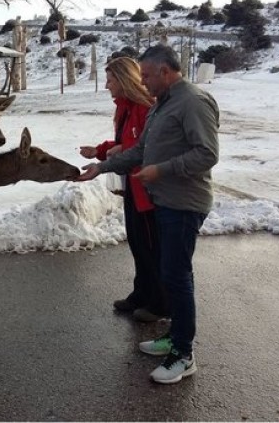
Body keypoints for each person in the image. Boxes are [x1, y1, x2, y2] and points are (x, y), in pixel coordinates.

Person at [77, 44, 219, 384]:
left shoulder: (193, 102)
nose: (143, 82)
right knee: (172, 274)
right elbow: (140, 149)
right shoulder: (163, 106)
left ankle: (183, 354)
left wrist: (161, 171)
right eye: (140, 76)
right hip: (165, 200)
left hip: (184, 203)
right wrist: (102, 166)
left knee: (177, 278)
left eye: (147, 75)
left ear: (166, 72)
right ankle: (175, 337)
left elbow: (207, 154)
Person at [78, 56, 169, 323]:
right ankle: (142, 293)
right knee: (138, 244)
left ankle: (160, 304)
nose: (106, 86)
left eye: (109, 80)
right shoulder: (125, 108)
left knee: (152, 248)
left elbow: (142, 149)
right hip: (133, 186)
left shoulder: (144, 107)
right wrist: (101, 150)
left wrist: (108, 158)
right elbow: (124, 142)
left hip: (149, 192)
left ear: (123, 79)